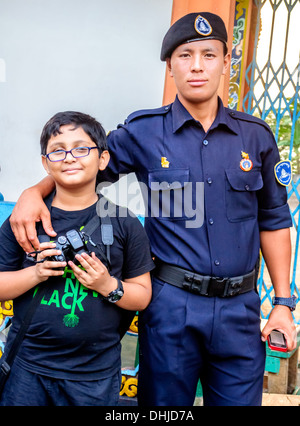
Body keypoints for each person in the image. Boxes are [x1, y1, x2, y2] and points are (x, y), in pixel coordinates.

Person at [9, 13, 297, 406]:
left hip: (239, 311)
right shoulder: (144, 131)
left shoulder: (256, 137)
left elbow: (275, 220)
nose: (197, 65)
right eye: (185, 55)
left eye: (209, 55)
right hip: (170, 306)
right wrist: (33, 192)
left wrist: (282, 304)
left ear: (226, 62)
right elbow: (84, 164)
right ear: (170, 66)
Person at [0, 111, 154, 406]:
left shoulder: (124, 222)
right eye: (58, 151)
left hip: (93, 377)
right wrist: (36, 273)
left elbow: (142, 295)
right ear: (45, 163)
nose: (69, 157)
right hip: (26, 368)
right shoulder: (25, 219)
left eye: (81, 148)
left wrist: (107, 284)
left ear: (103, 159)